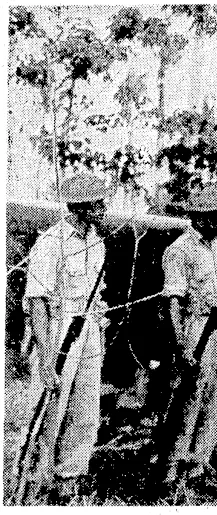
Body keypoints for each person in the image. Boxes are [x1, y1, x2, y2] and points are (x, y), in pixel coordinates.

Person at [22, 173, 110, 502]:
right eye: (96, 203)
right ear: (80, 206)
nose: (103, 209)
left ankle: (69, 480)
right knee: (50, 408)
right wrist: (46, 357)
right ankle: (33, 481)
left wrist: (99, 318)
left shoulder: (96, 242)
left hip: (88, 329)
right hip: (58, 328)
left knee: (85, 408)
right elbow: (36, 302)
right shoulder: (51, 243)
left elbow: (96, 292)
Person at [158, 185, 217, 491]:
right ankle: (170, 474)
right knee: (188, 403)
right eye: (213, 217)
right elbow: (173, 300)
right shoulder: (179, 250)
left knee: (216, 401)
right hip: (196, 327)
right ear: (197, 218)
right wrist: (181, 346)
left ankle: (198, 468)